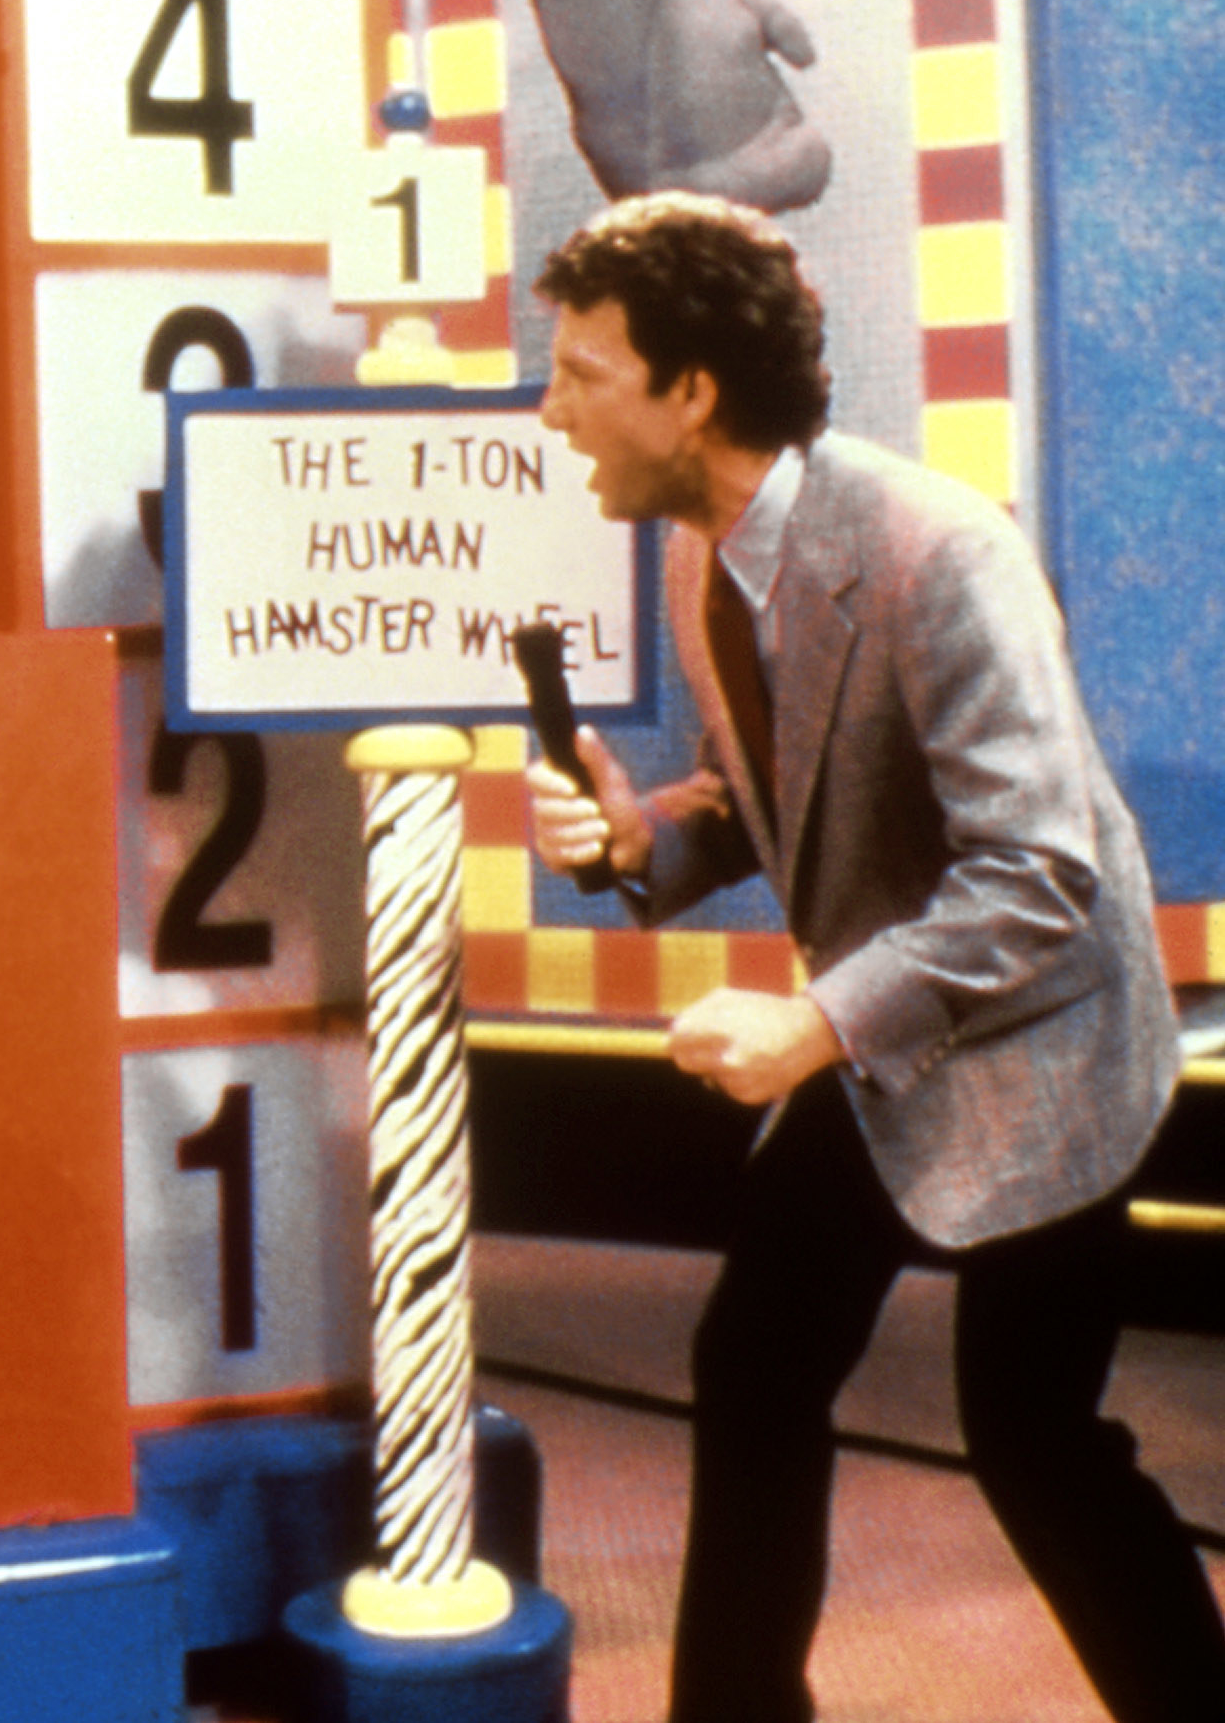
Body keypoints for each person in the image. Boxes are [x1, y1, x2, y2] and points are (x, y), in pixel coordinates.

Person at [522, 192, 1225, 1723]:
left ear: (687, 391)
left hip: (1044, 1041)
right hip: (883, 1021)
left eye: (579, 369)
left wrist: (809, 1029)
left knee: (1029, 1433)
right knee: (755, 1363)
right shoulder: (703, 555)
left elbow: (1035, 869)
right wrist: (654, 842)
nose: (551, 403)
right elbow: (789, 789)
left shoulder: (937, 550)